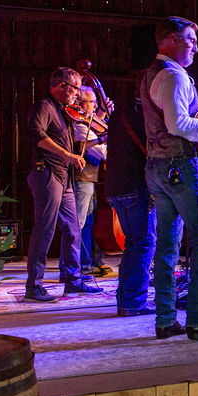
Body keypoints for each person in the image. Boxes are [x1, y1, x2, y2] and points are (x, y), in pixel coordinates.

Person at [140, 16, 198, 341]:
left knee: (167, 244)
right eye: (189, 39)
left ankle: (166, 319)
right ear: (168, 40)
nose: (195, 46)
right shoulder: (173, 76)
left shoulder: (153, 73)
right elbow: (178, 124)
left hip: (157, 166)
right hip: (181, 165)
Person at [23, 67, 102, 302]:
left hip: (63, 176)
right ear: (62, 86)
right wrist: (67, 155)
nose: (77, 95)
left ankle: (73, 281)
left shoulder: (63, 111)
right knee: (45, 228)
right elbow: (37, 135)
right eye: (75, 89)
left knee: (73, 228)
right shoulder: (44, 107)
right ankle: (34, 286)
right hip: (46, 173)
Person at [105, 94, 156, 316]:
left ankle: (125, 299)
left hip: (114, 188)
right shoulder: (144, 119)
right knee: (144, 243)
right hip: (135, 186)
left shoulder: (119, 115)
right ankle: (133, 302)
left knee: (133, 244)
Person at [67, 86, 110, 280]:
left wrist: (100, 115)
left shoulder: (90, 122)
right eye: (91, 102)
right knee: (79, 223)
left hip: (90, 179)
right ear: (80, 104)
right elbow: (101, 152)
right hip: (81, 179)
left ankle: (85, 263)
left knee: (87, 223)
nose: (95, 105)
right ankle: (75, 267)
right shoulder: (80, 124)